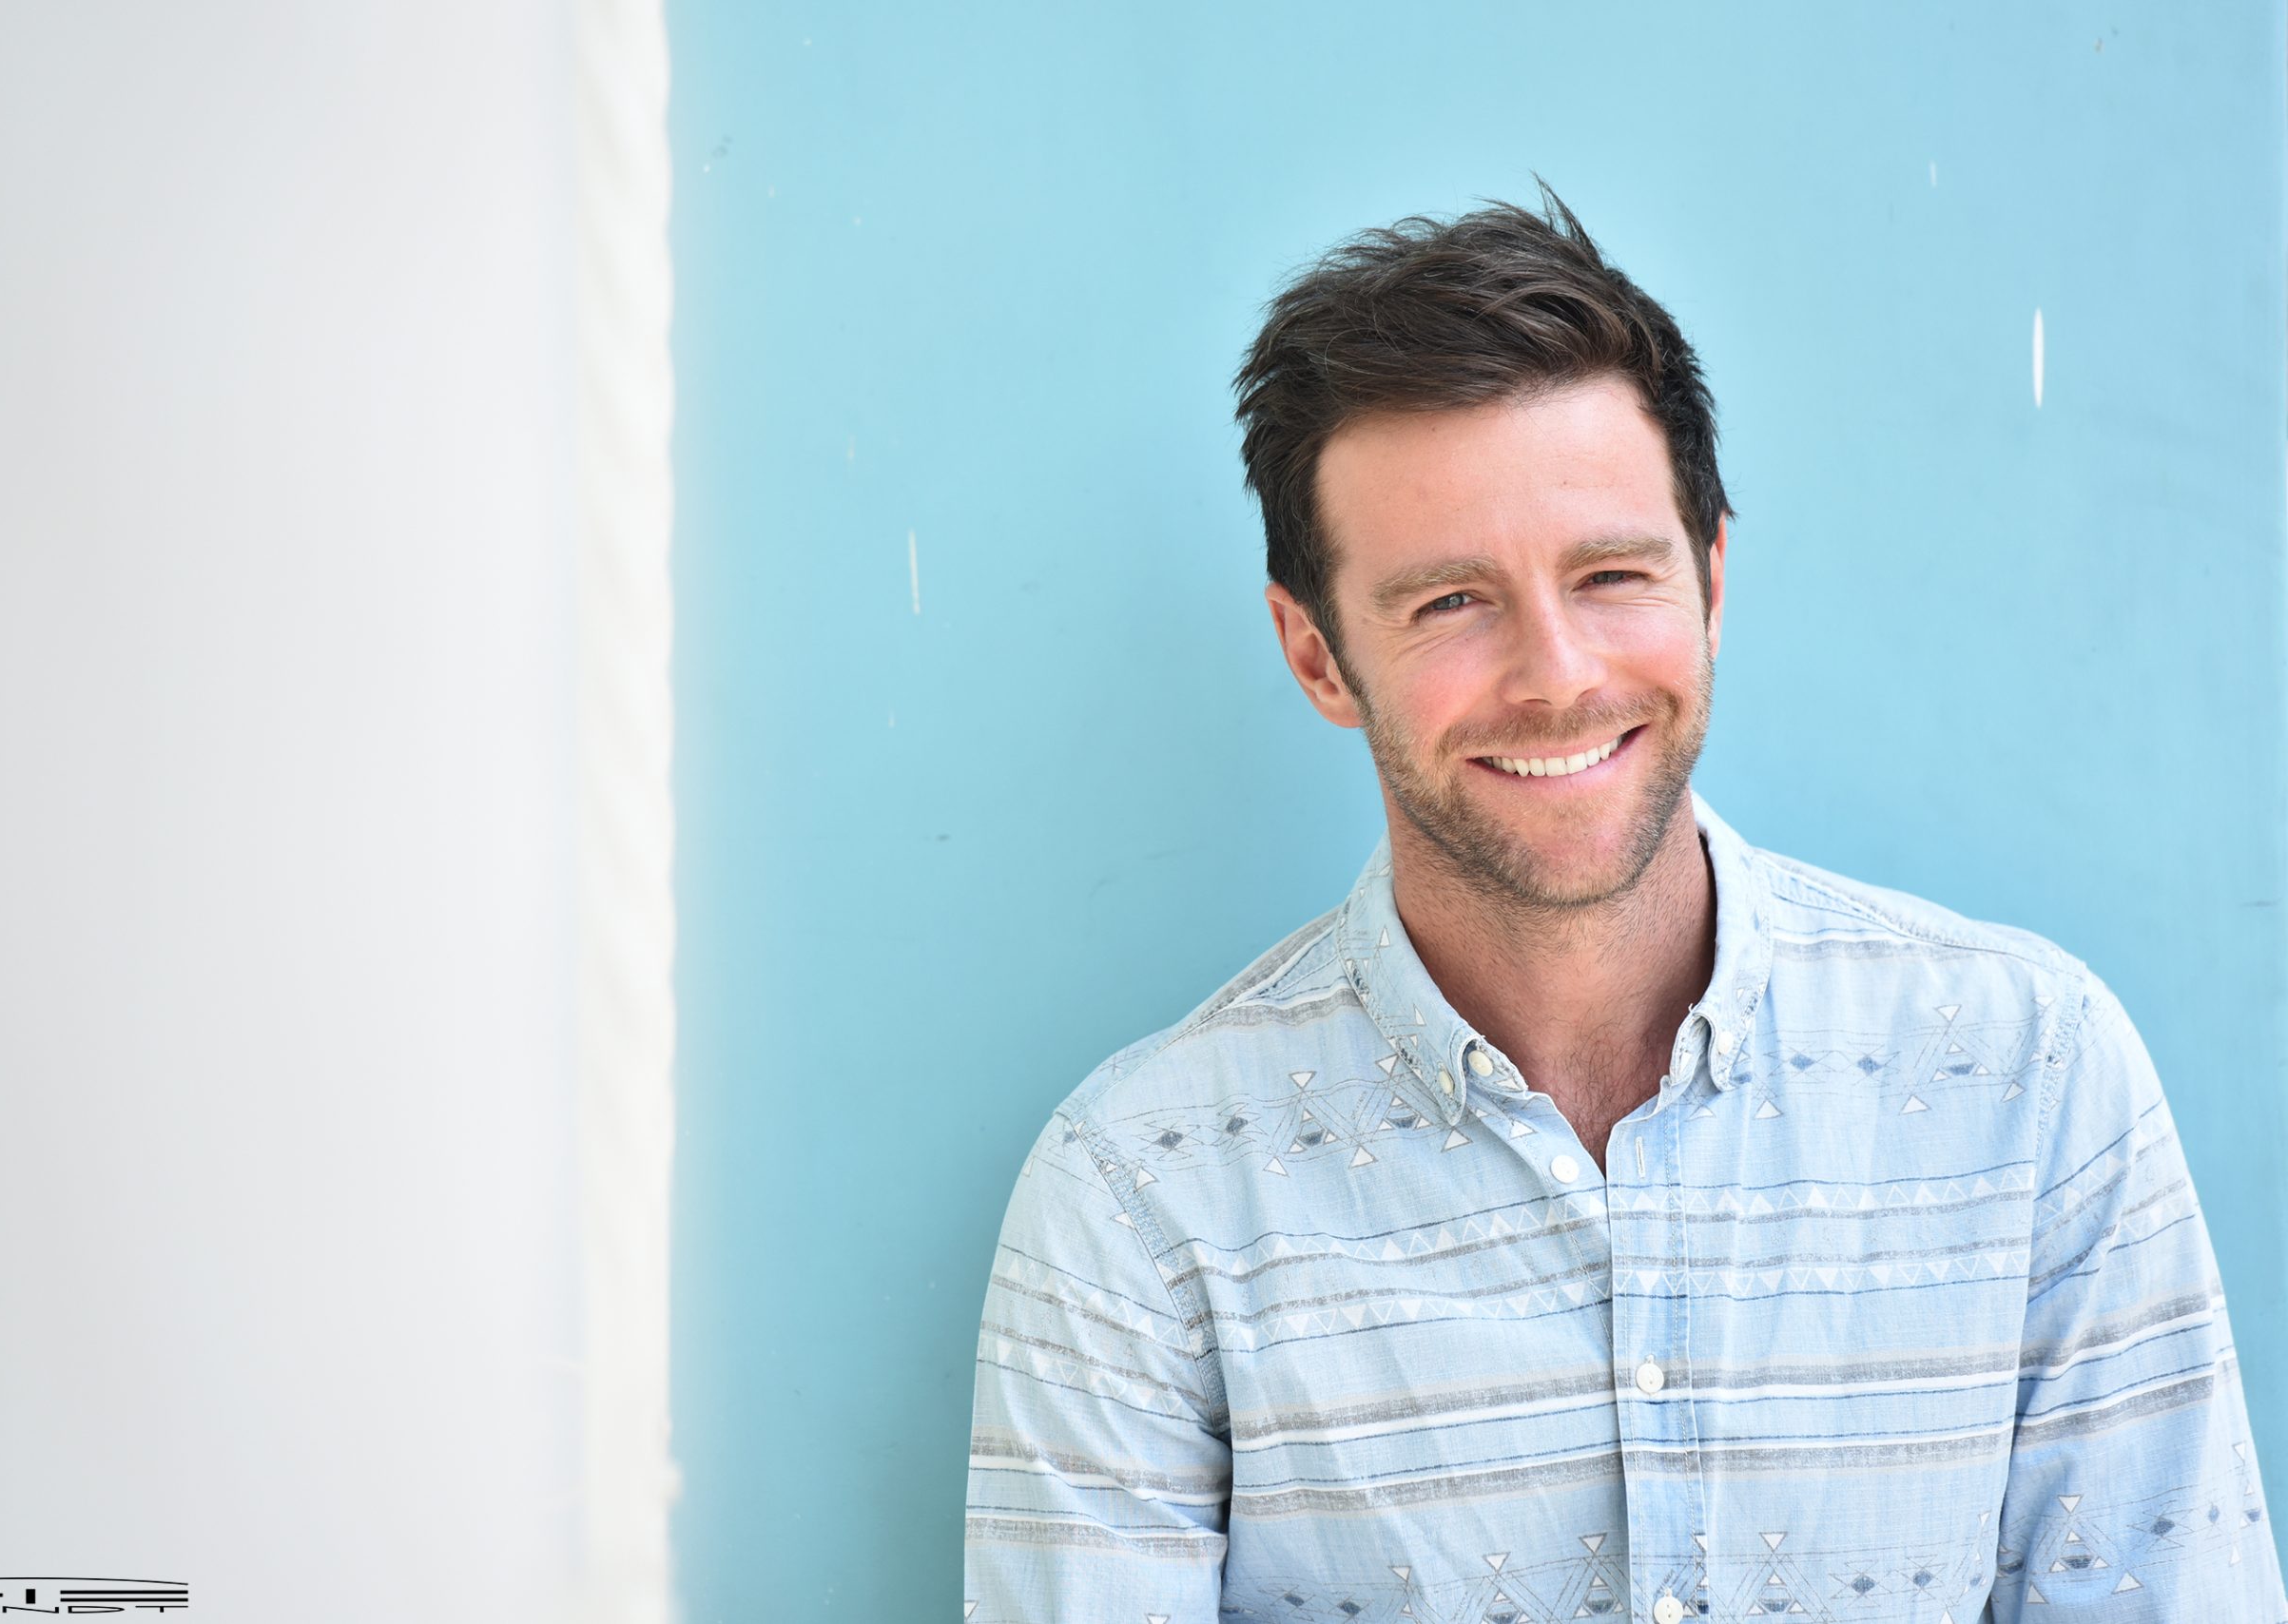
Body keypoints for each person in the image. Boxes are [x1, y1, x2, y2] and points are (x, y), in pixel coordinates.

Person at [960, 187, 2286, 1624]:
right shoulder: (1138, 1196)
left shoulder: (2032, 1075)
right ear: (1318, 655)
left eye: (1610, 575)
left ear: (1710, 580)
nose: (1559, 675)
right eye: (1450, 602)